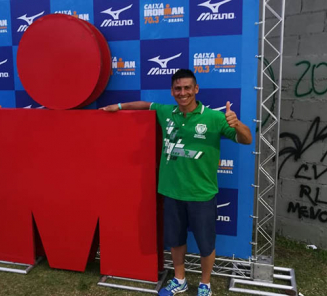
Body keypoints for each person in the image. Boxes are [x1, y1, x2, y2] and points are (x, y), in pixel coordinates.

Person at [100, 69, 252, 296]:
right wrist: (118, 107)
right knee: (176, 241)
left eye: (187, 88)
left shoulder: (215, 117)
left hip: (202, 194)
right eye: (178, 89)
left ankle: (205, 285)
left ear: (196, 89)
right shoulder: (166, 112)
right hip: (172, 192)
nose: (183, 93)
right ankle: (179, 280)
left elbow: (247, 139)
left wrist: (236, 123)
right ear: (172, 92)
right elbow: (144, 105)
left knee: (205, 244)